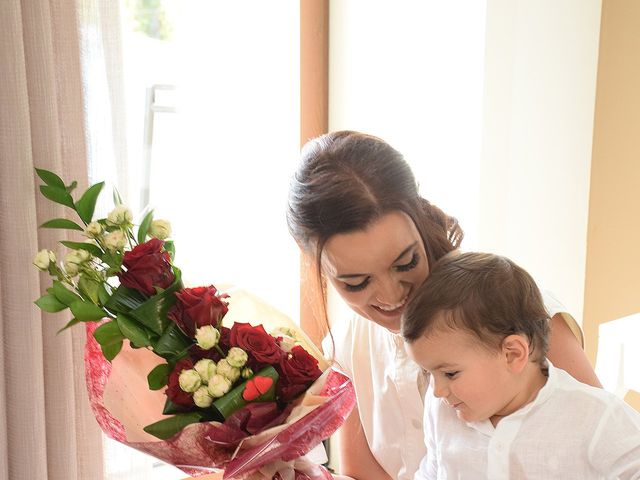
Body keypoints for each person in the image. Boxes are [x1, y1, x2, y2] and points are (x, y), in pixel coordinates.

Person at [286, 131, 601, 480]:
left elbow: (602, 450)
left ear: (419, 219)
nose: (391, 296)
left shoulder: (515, 312)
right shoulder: (349, 343)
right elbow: (360, 472)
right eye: (357, 283)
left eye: (405, 262)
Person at [401, 252, 640, 478]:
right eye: (428, 372)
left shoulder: (593, 415)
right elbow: (432, 471)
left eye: (450, 373)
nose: (437, 390)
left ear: (513, 354)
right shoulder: (442, 410)